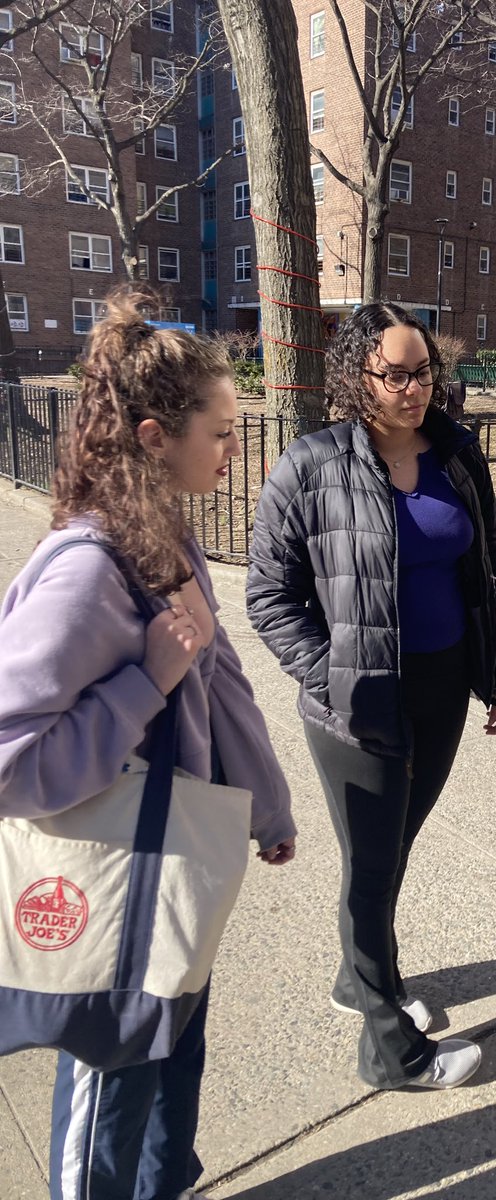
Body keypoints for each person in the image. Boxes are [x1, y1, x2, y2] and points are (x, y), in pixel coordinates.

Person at [0, 289, 297, 1200]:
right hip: (112, 886)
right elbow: (11, 762)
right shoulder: (89, 568)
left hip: (174, 870)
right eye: (222, 429)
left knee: (174, 1072)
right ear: (152, 434)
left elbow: (221, 685)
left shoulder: (162, 537)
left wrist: (268, 803)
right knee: (110, 1090)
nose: (236, 448)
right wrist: (144, 682)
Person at [246, 302, 496, 1090]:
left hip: (442, 685)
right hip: (358, 700)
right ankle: (388, 1050)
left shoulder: (456, 456)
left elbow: (491, 572)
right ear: (355, 375)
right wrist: (329, 674)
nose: (413, 389)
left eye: (424, 372)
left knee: (393, 846)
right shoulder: (312, 464)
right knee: (372, 862)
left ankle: (361, 980)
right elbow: (270, 596)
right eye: (394, 374)